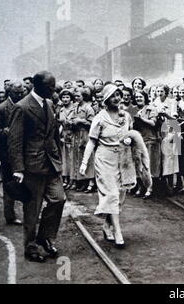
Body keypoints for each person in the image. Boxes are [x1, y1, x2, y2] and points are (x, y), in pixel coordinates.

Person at [8, 71, 66, 263]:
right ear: (37, 85)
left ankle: (45, 237)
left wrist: (58, 157)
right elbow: (15, 141)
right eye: (50, 86)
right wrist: (18, 169)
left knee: (58, 199)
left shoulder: (49, 104)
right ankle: (31, 247)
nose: (54, 89)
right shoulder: (22, 107)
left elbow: (53, 136)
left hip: (50, 164)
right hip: (32, 167)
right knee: (32, 210)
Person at [80, 84, 137, 248]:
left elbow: (130, 135)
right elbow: (92, 141)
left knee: (120, 195)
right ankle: (118, 232)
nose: (117, 98)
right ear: (106, 99)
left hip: (123, 158)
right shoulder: (100, 118)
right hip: (104, 159)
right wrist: (84, 162)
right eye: (113, 96)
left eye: (118, 95)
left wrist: (129, 141)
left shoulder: (126, 116)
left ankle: (107, 224)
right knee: (111, 194)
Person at [0, 82, 26, 226]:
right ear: (9, 93)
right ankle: (10, 216)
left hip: (24, 152)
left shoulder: (25, 105)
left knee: (27, 184)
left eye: (21, 93)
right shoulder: (1, 108)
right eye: (16, 93)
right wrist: (5, 132)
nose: (19, 95)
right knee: (9, 185)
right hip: (7, 154)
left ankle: (30, 215)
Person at [70, 87, 96, 193]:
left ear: (83, 96)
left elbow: (92, 123)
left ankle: (91, 182)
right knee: (78, 158)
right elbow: (71, 118)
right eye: (75, 96)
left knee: (88, 158)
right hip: (76, 134)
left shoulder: (88, 108)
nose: (76, 98)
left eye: (78, 96)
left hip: (85, 134)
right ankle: (81, 181)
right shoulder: (75, 107)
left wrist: (81, 121)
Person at [133, 90, 158, 199]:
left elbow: (153, 123)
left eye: (141, 97)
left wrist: (142, 119)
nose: (138, 99)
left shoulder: (150, 109)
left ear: (145, 98)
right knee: (138, 165)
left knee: (148, 165)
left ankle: (149, 188)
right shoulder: (133, 109)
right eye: (137, 97)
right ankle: (140, 187)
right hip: (137, 140)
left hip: (149, 139)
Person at [57, 90, 75, 189]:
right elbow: (61, 125)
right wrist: (59, 135)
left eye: (67, 97)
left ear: (71, 98)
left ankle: (72, 179)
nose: (65, 99)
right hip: (64, 135)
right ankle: (65, 178)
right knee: (64, 158)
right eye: (63, 97)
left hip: (73, 134)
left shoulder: (75, 109)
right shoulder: (61, 110)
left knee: (72, 158)